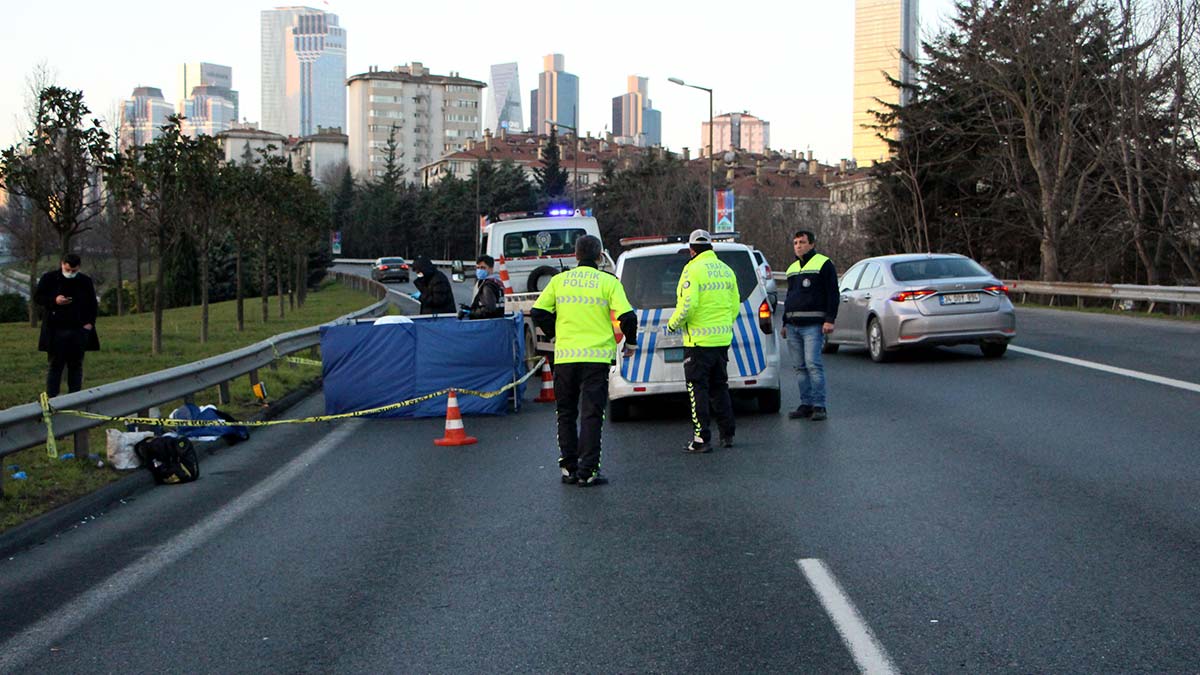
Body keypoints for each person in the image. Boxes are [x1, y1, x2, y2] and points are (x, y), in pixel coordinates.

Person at [531, 235, 638, 487]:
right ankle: (588, 470)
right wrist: (629, 343)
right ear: (600, 256)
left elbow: (538, 312)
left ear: (576, 256)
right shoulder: (608, 282)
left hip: (565, 357)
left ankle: (569, 467)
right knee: (591, 414)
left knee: (565, 413)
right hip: (596, 359)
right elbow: (628, 317)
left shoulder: (559, 281)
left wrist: (554, 333)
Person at [666, 229, 740, 454]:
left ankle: (701, 438)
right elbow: (734, 305)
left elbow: (688, 305)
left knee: (697, 389)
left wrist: (673, 324)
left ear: (692, 250)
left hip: (698, 342)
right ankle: (727, 434)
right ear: (711, 247)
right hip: (721, 339)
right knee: (720, 387)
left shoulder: (692, 270)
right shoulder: (726, 271)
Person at [781, 230, 838, 421]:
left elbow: (832, 293)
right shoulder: (792, 269)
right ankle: (806, 404)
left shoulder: (823, 263)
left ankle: (819, 406)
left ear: (812, 244)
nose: (798, 246)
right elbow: (789, 297)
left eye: (802, 242)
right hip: (793, 325)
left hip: (813, 324)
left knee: (813, 365)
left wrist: (830, 319)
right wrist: (784, 322)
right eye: (795, 242)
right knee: (799, 367)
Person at [35, 253, 100, 397]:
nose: (70, 273)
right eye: (68, 270)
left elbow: (92, 304)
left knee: (76, 365)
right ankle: (52, 398)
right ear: (62, 264)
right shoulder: (49, 278)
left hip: (78, 330)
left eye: (74, 271)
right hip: (55, 330)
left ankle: (74, 397)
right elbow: (38, 297)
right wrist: (54, 300)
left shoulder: (85, 281)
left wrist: (89, 324)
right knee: (55, 366)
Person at [461, 254, 505, 320]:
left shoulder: (487, 286)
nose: (479, 270)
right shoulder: (497, 282)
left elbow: (489, 309)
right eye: (477, 268)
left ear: (491, 269)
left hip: (488, 323)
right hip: (498, 320)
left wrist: (471, 313)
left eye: (483, 268)